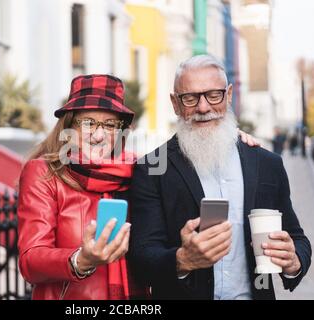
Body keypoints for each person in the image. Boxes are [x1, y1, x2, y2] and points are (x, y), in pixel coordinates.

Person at [17, 73, 259, 300]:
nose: (99, 135)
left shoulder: (139, 169)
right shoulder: (44, 173)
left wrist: (224, 135)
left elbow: (185, 152)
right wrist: (81, 259)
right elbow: (30, 261)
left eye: (110, 125)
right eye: (88, 123)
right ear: (69, 126)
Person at [128, 55, 312, 300]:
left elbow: (297, 237)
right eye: (190, 98)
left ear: (229, 95)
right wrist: (182, 260)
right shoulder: (151, 169)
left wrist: (294, 260)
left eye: (214, 95)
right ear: (175, 103)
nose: (203, 108)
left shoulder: (267, 164)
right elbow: (142, 258)